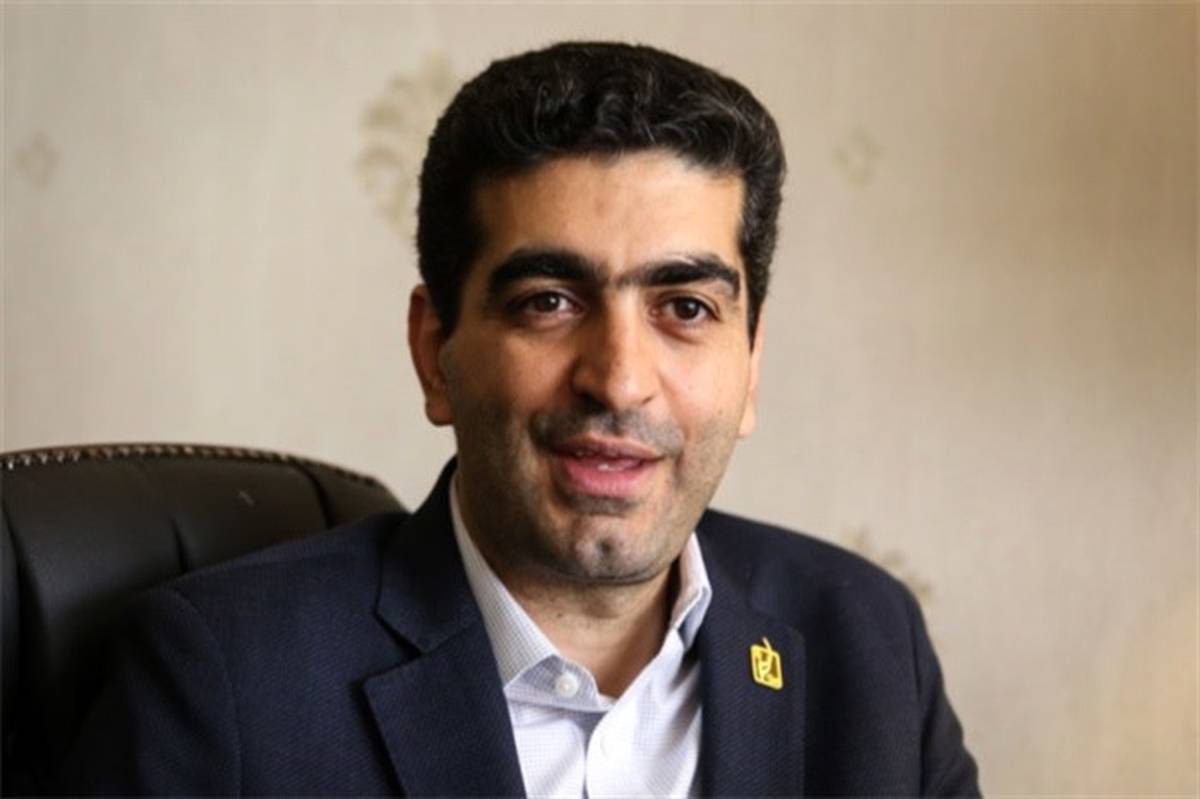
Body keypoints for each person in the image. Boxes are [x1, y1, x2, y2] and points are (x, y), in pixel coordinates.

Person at [61, 42, 979, 796]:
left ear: (751, 365)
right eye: (549, 301)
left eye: (686, 308)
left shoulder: (868, 641)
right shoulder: (223, 676)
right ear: (436, 351)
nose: (620, 381)